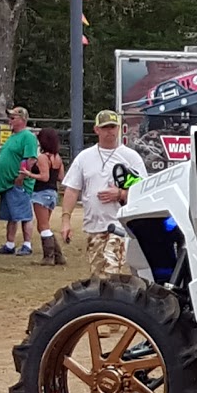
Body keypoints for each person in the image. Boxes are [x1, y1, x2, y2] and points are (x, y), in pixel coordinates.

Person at [60, 110, 146, 278]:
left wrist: (120, 194)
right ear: (96, 130)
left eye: (113, 127)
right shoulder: (85, 158)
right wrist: (65, 220)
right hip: (94, 226)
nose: (110, 132)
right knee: (98, 276)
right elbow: (72, 189)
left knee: (110, 270)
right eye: (105, 128)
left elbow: (143, 190)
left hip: (120, 227)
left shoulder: (130, 157)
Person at [0, 106, 38, 256]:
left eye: (13, 117)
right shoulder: (13, 136)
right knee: (11, 215)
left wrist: (21, 176)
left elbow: (30, 158)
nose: (10, 120)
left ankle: (27, 244)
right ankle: (9, 244)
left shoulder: (27, 136)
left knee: (24, 214)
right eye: (10, 117)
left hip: (18, 182)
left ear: (23, 119)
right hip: (7, 183)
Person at [23, 128, 67, 266]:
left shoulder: (43, 157)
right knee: (45, 225)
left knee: (43, 226)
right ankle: (58, 255)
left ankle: (49, 256)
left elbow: (44, 176)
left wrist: (29, 174)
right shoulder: (57, 158)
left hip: (41, 192)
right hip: (52, 193)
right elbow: (60, 177)